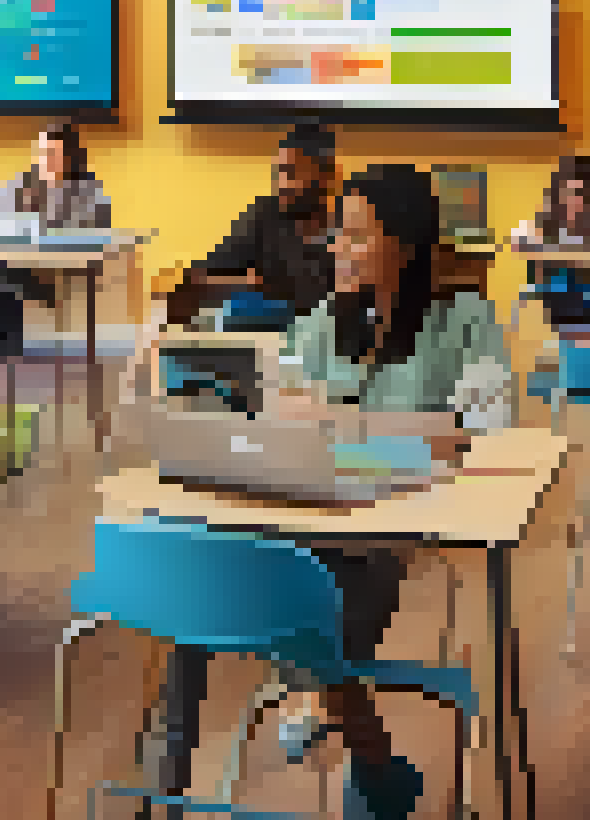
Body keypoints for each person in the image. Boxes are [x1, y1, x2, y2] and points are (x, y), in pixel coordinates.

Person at [153, 165, 516, 820]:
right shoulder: (325, 320)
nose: (337, 249)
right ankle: (165, 797)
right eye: (337, 235)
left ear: (404, 243)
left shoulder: (464, 319)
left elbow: (483, 430)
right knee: (198, 591)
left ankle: (372, 765)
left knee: (318, 614)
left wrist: (346, 426)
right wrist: (406, 432)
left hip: (385, 531)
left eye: (355, 235)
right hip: (301, 516)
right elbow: (280, 410)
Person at [0, 122, 113, 402]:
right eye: (43, 152)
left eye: (54, 153)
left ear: (71, 157)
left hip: (58, 276)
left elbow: (94, 236)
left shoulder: (88, 192)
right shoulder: (22, 184)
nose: (47, 160)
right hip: (15, 269)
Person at [164, 122, 339, 330]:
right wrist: (244, 285)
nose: (281, 184)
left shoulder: (352, 225)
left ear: (326, 175)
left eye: (292, 174)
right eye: (279, 173)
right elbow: (197, 280)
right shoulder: (265, 214)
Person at [522, 154, 590, 338]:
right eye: (565, 193)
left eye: (579, 193)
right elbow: (536, 282)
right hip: (559, 322)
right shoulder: (546, 225)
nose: (572, 202)